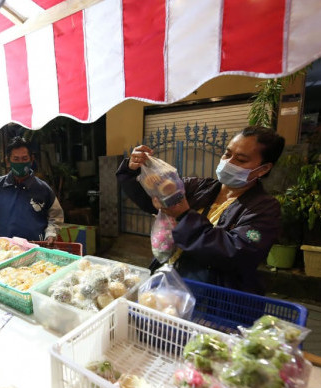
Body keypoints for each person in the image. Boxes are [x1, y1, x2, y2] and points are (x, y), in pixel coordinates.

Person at [116, 126, 285, 294]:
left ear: (263, 168)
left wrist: (183, 215)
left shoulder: (265, 209)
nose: (228, 162)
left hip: (213, 296)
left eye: (240, 160)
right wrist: (132, 171)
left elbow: (235, 252)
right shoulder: (198, 187)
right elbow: (151, 200)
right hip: (167, 281)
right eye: (227, 154)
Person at [0, 137, 64, 245]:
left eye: (24, 159)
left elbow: (56, 215)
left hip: (36, 247)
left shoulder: (43, 188)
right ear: (8, 161)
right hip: (7, 249)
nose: (20, 163)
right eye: (16, 159)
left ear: (31, 159)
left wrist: (51, 234)